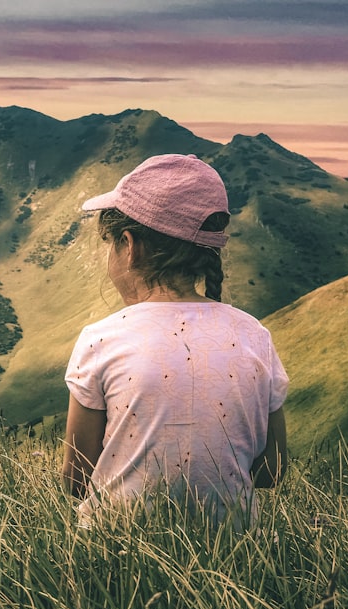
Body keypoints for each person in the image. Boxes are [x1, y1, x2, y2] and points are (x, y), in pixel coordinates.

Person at [62, 153, 288, 526]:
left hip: (115, 554)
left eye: (111, 244)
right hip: (237, 557)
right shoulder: (254, 335)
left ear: (130, 246)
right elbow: (272, 472)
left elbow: (75, 479)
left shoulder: (99, 339)